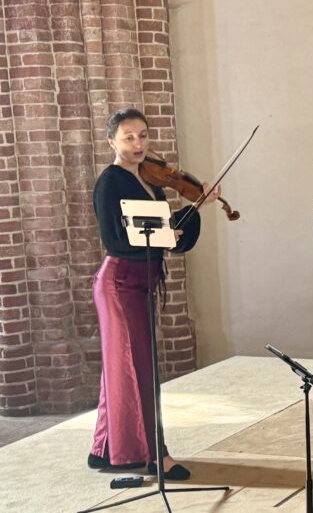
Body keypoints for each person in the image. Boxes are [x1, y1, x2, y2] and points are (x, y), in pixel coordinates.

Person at [86, 108, 220, 481]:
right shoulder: (110, 182)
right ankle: (153, 456)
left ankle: (106, 448)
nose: (138, 144)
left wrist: (196, 206)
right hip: (119, 283)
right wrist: (160, 238)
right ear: (111, 141)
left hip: (139, 281)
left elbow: (173, 238)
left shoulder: (151, 182)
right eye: (129, 137)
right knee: (138, 368)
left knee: (122, 366)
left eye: (143, 135)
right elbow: (115, 240)